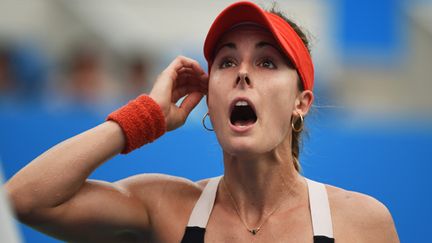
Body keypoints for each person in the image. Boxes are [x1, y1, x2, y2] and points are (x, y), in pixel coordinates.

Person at [4, 2, 399, 242]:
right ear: (211, 101)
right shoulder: (163, 209)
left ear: (302, 102)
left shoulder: (361, 223)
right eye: (227, 61)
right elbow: (23, 200)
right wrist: (143, 118)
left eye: (266, 62)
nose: (243, 73)